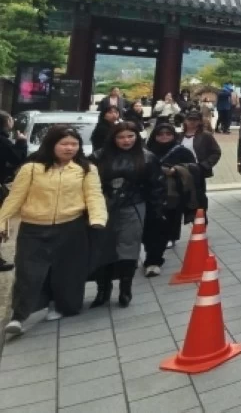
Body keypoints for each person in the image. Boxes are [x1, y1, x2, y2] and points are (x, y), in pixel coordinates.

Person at [0, 125, 108, 338]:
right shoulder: (31, 169)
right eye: (64, 143)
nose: (69, 148)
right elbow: (15, 198)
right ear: (52, 144)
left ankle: (60, 305)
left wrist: (98, 218)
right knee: (28, 272)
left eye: (74, 144)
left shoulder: (86, 169)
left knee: (67, 271)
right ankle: (19, 316)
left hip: (71, 226)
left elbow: (94, 196)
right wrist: (2, 220)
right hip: (34, 228)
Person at [90, 122, 165, 307]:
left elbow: (157, 186)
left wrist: (157, 211)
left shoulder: (147, 157)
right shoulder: (98, 157)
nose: (126, 140)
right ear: (113, 138)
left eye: (130, 136)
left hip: (134, 205)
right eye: (121, 137)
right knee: (102, 247)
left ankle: (125, 289)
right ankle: (103, 289)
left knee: (129, 246)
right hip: (103, 207)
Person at [143, 122, 198, 276]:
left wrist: (176, 170)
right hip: (148, 195)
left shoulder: (182, 151)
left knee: (165, 225)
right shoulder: (146, 152)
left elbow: (194, 169)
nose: (164, 137)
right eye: (160, 134)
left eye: (168, 134)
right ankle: (151, 253)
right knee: (150, 227)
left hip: (172, 195)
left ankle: (154, 260)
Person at [0, 111, 29, 273]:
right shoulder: (3, 141)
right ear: (6, 123)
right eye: (10, 119)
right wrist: (22, 142)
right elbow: (17, 158)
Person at [179, 109, 221, 220]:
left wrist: (204, 165)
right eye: (190, 119)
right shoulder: (179, 136)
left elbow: (216, 152)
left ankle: (200, 222)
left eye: (195, 120)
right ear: (185, 120)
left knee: (198, 199)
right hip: (181, 172)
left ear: (200, 121)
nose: (192, 122)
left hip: (197, 172)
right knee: (183, 198)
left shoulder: (205, 136)